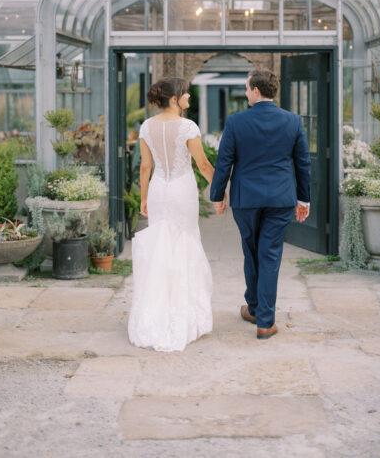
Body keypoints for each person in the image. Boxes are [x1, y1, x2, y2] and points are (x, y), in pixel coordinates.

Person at [210, 68, 311, 340]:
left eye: (246, 89)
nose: (245, 93)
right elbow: (303, 163)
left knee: (252, 251)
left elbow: (224, 162)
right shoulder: (292, 121)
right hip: (280, 199)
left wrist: (217, 196)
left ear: (256, 90)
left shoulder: (236, 122)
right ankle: (260, 314)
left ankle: (259, 313)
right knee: (269, 254)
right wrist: (304, 198)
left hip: (246, 200)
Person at [127, 78, 214, 352]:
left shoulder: (146, 126)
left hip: (158, 191)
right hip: (181, 190)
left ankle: (155, 311)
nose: (188, 95)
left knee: (160, 247)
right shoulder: (187, 126)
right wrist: (221, 189)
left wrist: (143, 199)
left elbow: (145, 167)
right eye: (184, 92)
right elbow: (202, 163)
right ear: (174, 99)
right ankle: (183, 313)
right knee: (184, 244)